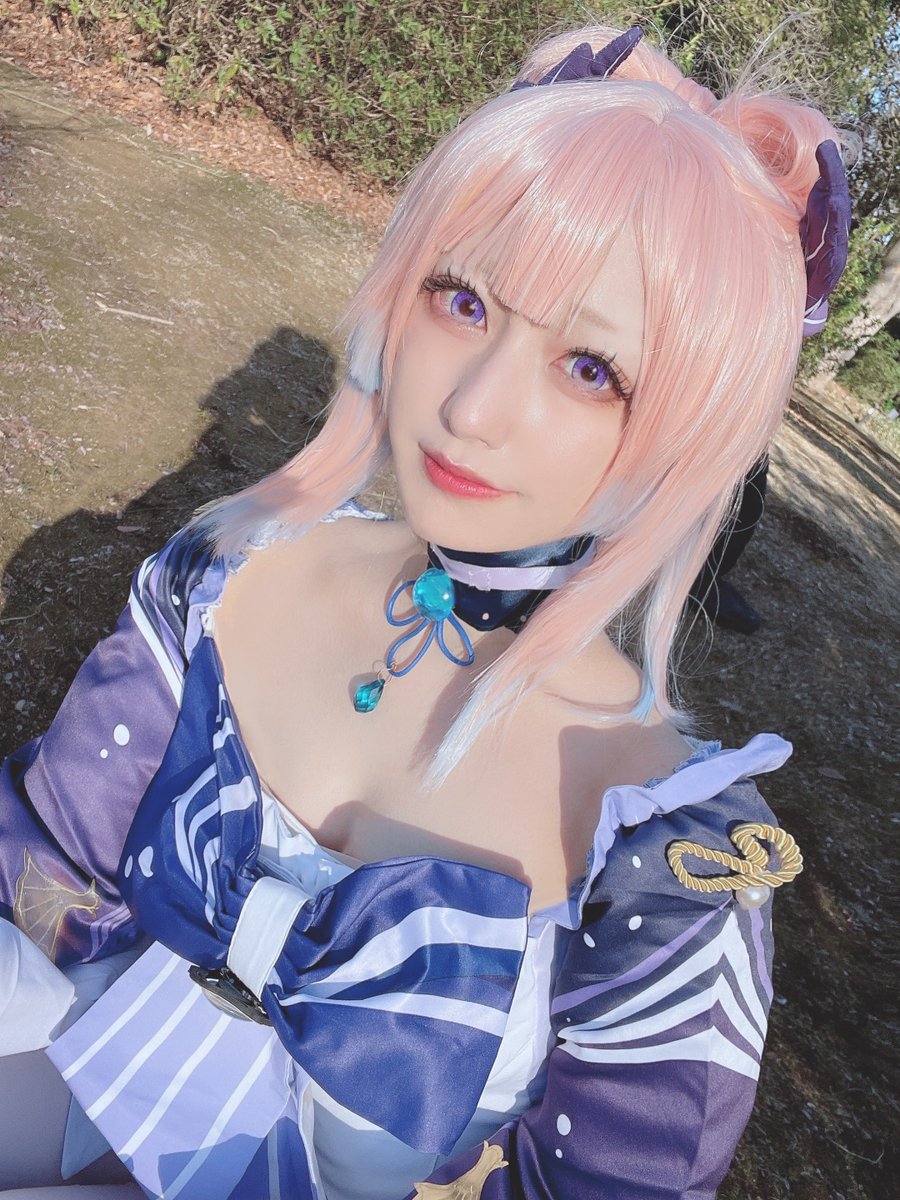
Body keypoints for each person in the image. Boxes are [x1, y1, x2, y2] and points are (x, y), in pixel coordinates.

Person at [0, 21, 846, 1200]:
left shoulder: (670, 859)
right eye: (462, 298)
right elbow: (42, 876)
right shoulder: (226, 573)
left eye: (592, 369)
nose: (474, 407)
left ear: (693, 434)